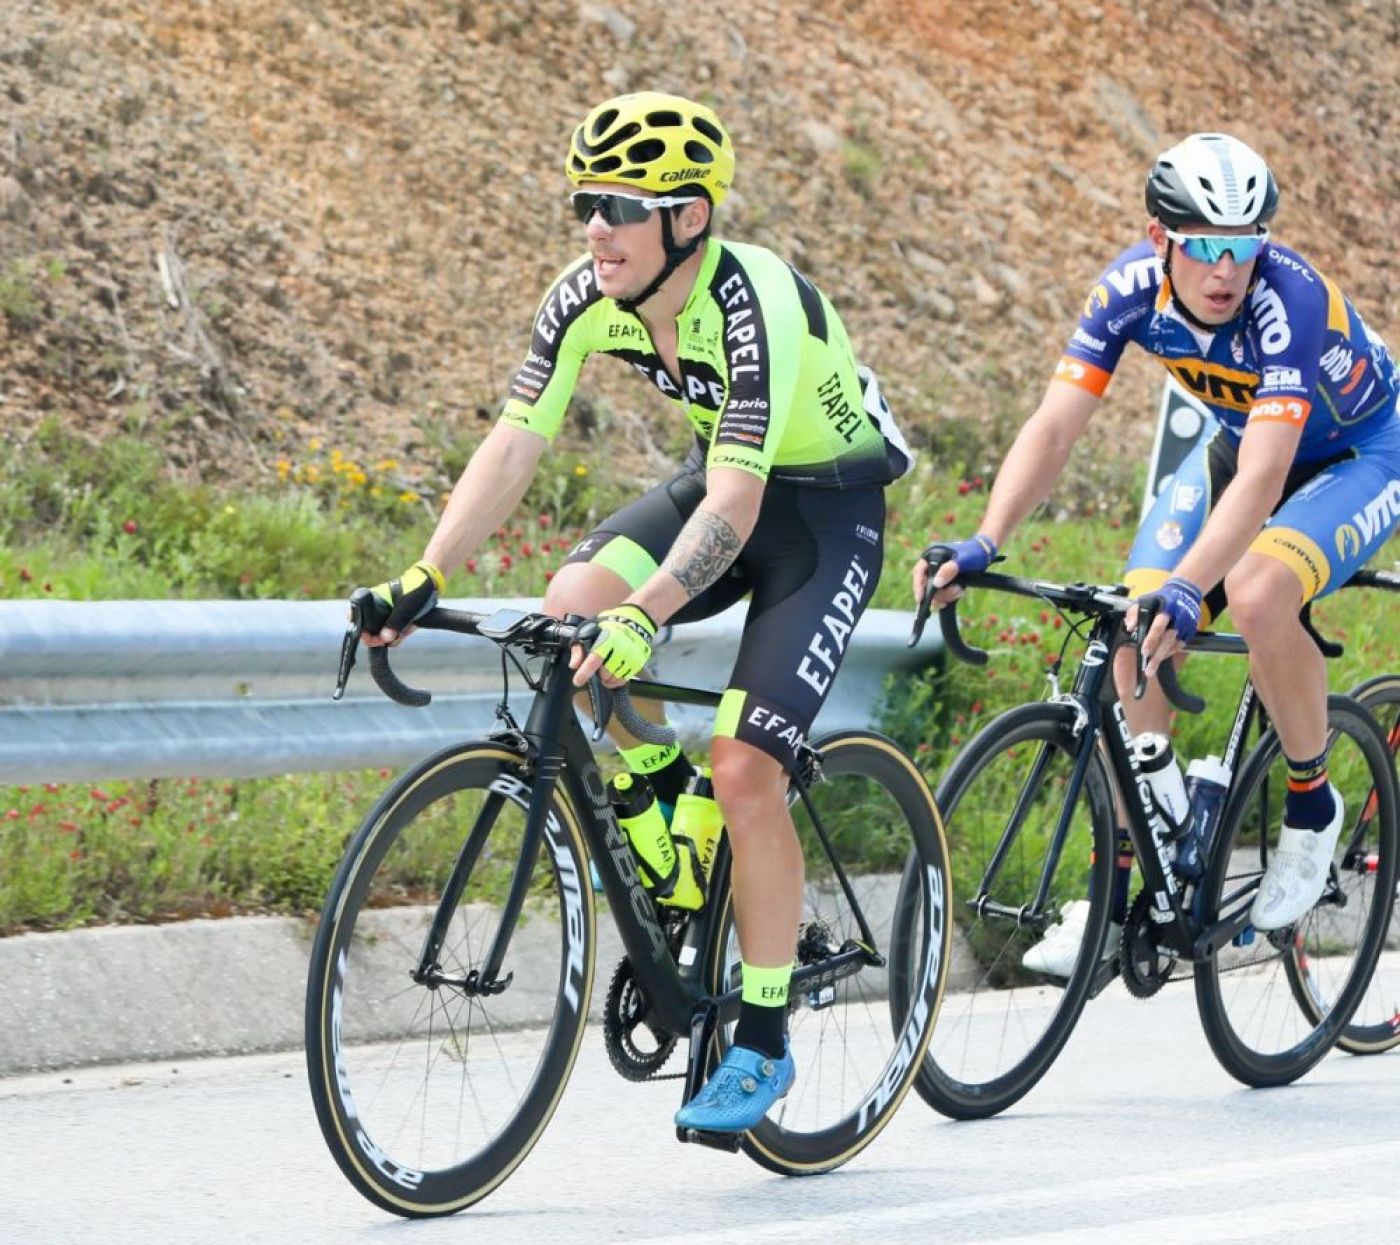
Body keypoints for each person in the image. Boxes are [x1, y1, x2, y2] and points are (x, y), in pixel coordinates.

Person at [359, 92, 912, 1130]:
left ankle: (760, 1038)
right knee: (572, 602)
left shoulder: (755, 304)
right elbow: (516, 440)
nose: (593, 226)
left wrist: (649, 614)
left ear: (688, 219)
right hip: (722, 482)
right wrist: (427, 573)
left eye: (619, 203)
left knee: (746, 762)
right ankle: (663, 798)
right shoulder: (585, 296)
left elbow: (741, 507)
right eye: (584, 201)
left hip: (824, 513)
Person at [914, 132, 1400, 972]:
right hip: (1239, 449)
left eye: (1244, 248)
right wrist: (987, 537)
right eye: (1205, 248)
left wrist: (1193, 584)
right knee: (1131, 623)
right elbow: (1056, 425)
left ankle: (1313, 806)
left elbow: (1265, 476)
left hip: (1361, 455)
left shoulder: (1288, 300)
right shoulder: (1129, 293)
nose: (1225, 271)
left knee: (1251, 593)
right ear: (1159, 240)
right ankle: (1131, 878)